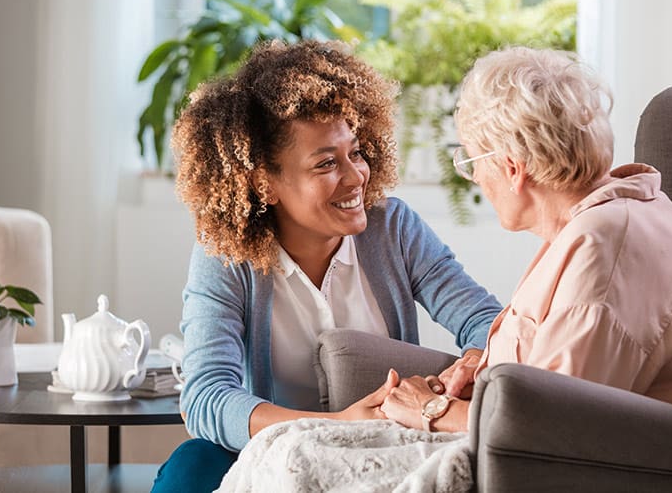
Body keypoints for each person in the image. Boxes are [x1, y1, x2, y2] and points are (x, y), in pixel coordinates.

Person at [149, 39, 503, 492]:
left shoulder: (393, 228)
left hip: (382, 448)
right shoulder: (226, 254)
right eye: (326, 163)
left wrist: (471, 364)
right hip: (271, 451)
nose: (356, 176)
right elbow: (206, 397)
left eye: (355, 152)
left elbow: (485, 321)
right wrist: (332, 423)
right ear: (265, 182)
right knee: (191, 466)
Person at [378, 46, 672, 434]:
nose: (477, 179)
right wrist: (486, 369)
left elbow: (553, 427)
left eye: (471, 162)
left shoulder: (603, 249)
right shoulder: (610, 217)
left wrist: (433, 410)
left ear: (512, 168)